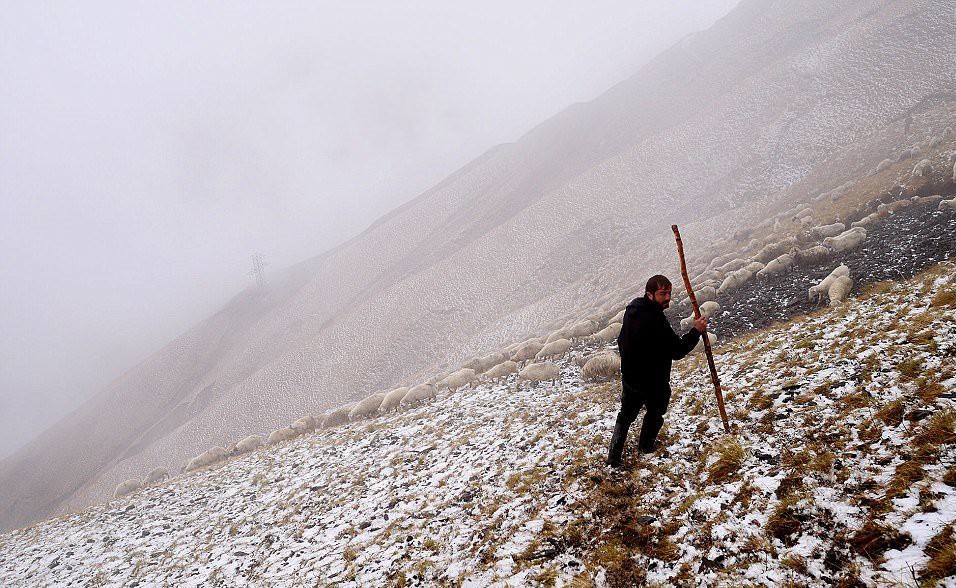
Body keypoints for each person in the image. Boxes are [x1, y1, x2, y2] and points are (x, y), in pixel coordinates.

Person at [606, 274, 707, 467]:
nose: (668, 297)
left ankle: (613, 457)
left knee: (625, 415)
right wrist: (696, 331)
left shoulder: (633, 310)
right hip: (653, 381)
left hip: (631, 377)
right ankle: (645, 447)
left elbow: (622, 340)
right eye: (662, 294)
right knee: (656, 411)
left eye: (669, 293)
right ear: (650, 294)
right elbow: (677, 350)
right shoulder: (654, 319)